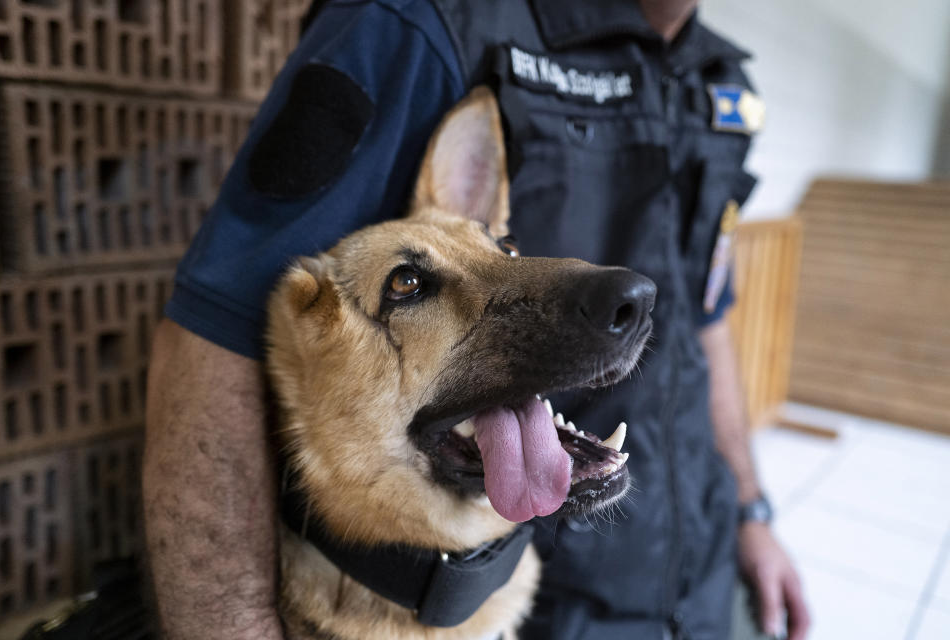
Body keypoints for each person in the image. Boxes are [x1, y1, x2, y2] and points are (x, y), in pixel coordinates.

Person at [143, 1, 810, 638]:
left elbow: (705, 318)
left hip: (699, 568)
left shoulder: (723, 81)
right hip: (543, 595)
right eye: (414, 283)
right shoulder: (421, 18)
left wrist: (751, 512)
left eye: (503, 248)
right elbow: (213, 335)